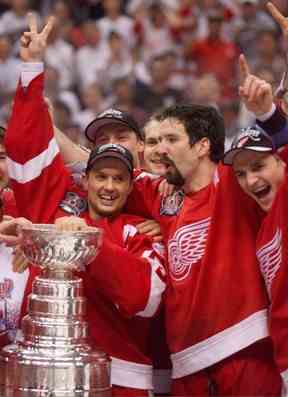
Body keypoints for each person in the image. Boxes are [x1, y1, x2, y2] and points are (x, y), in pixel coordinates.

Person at [5, 14, 167, 397]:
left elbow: (146, 298)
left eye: (119, 178)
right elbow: (25, 152)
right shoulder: (60, 206)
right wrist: (31, 69)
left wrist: (90, 242)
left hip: (124, 379)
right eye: (101, 175)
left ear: (133, 181)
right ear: (86, 176)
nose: (109, 186)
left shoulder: (146, 220)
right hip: (45, 373)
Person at [222, 125, 288, 393]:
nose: (250, 180)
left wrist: (269, 117)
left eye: (258, 166)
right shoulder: (262, 229)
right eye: (241, 173)